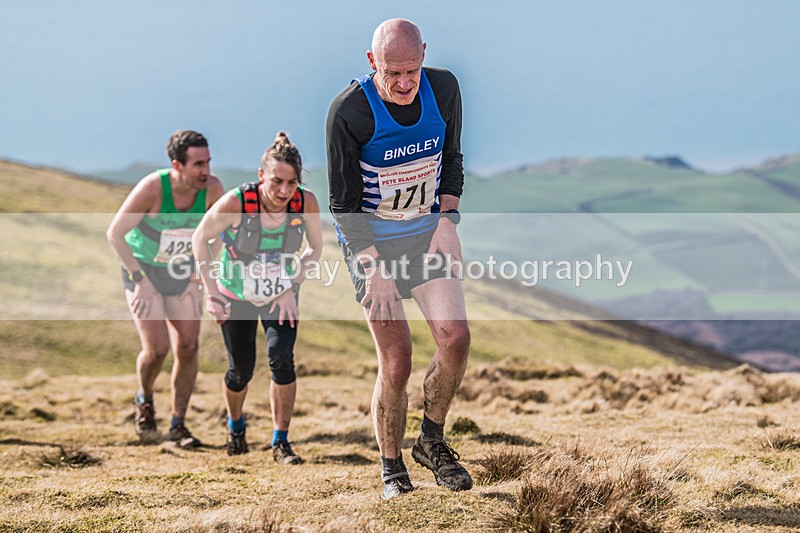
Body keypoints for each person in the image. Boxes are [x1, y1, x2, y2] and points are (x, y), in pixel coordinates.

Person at [326, 19, 472, 499]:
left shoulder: (444, 88)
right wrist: (372, 268)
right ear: (372, 63)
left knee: (455, 339)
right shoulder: (349, 113)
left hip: (426, 235)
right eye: (393, 73)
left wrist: (448, 220)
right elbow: (344, 205)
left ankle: (431, 441)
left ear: (424, 56)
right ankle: (392, 470)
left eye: (413, 70)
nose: (405, 83)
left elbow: (451, 160)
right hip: (372, 245)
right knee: (397, 360)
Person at [192, 132, 322, 463]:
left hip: (280, 295)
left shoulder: (305, 202)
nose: (284, 191)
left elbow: (314, 249)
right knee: (241, 371)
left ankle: (281, 442)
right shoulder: (237, 202)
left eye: (291, 183)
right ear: (262, 175)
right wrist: (212, 296)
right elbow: (199, 240)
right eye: (277, 181)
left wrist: (290, 287)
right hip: (235, 294)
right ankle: (236, 426)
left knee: (282, 360)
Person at [107, 130, 225, 447]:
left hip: (183, 272)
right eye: (198, 164)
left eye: (208, 162)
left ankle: (178, 424)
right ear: (177, 165)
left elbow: (221, 235)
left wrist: (200, 274)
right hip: (143, 270)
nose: (206, 171)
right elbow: (115, 234)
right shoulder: (152, 188)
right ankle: (144, 400)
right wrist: (140, 281)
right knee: (157, 348)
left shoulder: (212, 189)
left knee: (188, 346)